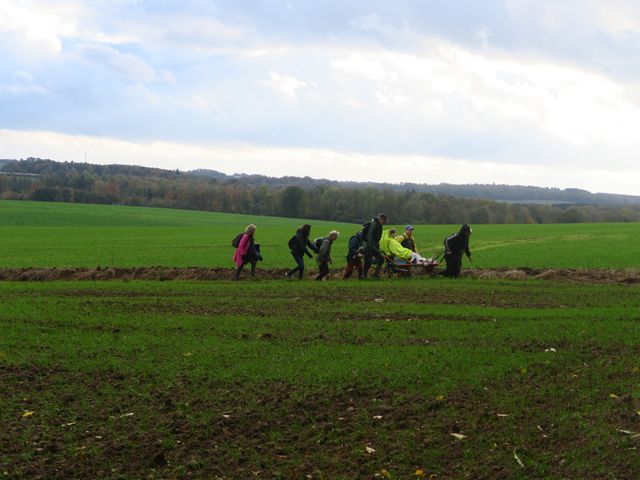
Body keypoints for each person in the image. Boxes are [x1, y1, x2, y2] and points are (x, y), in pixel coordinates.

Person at [362, 213, 388, 279]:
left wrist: (376, 247)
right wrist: (372, 247)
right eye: (384, 221)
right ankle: (364, 276)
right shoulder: (374, 224)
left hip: (374, 246)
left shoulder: (379, 225)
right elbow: (369, 236)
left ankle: (375, 274)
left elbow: (377, 238)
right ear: (381, 219)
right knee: (368, 261)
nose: (384, 223)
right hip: (369, 246)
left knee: (381, 258)